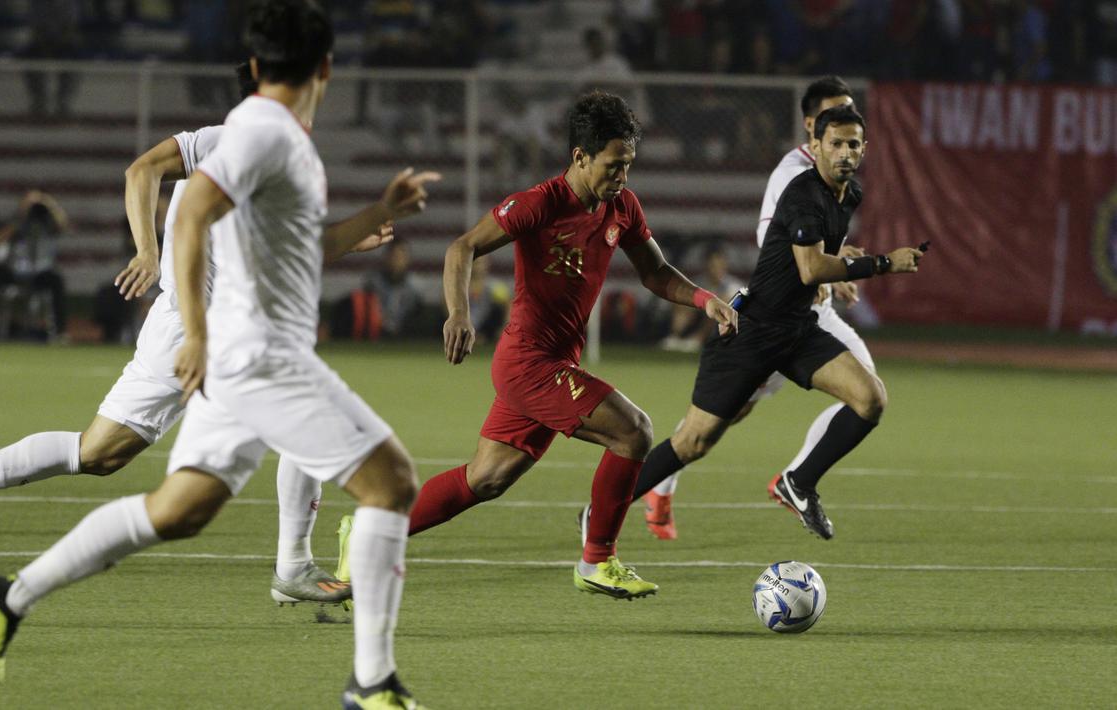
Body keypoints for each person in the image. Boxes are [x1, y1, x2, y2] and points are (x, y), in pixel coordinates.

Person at [0, 3, 440, 706]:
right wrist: (194, 330)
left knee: (176, 511)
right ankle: (373, 682)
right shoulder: (268, 132)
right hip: (260, 356)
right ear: (327, 68)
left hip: (243, 360)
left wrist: (377, 213)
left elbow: (295, 246)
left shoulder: (270, 136)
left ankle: (10, 596)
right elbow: (189, 214)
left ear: (256, 65)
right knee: (391, 483)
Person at [0, 61, 378, 608]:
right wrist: (147, 251)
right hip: (195, 329)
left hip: (213, 329)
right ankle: (292, 567)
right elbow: (141, 171)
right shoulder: (229, 141)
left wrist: (347, 239)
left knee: (100, 453)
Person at [341, 91, 738, 602]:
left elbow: (655, 271)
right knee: (634, 432)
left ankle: (369, 530)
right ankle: (598, 560)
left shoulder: (622, 206)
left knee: (486, 479)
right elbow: (462, 247)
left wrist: (705, 300)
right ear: (580, 156)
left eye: (628, 165)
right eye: (614, 165)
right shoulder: (540, 203)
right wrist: (459, 313)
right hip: (528, 362)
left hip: (555, 362)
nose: (623, 176)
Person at [624, 104, 926, 544]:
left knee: (870, 398)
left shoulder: (850, 194)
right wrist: (883, 263)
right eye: (836, 143)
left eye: (853, 144)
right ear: (816, 146)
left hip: (797, 329)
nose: (845, 152)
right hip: (753, 330)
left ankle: (798, 482)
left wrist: (841, 263)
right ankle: (603, 507)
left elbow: (816, 260)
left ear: (864, 149)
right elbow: (809, 268)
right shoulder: (803, 194)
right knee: (694, 441)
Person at [0, 190, 69, 341]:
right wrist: (21, 215)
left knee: (57, 281)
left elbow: (62, 224)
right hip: (12, 270)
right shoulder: (15, 221)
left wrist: (47, 202)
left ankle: (60, 333)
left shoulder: (48, 223)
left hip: (40, 272)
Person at [659, 241, 744, 353]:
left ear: (724, 265)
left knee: (718, 306)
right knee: (684, 300)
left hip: (731, 327)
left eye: (718, 265)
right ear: (706, 265)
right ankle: (675, 337)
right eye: (712, 265)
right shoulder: (700, 282)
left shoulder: (733, 285)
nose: (715, 269)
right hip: (700, 317)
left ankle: (697, 340)